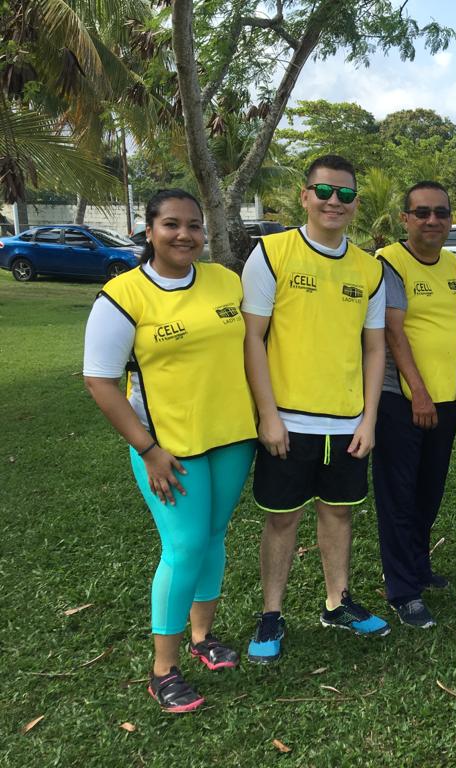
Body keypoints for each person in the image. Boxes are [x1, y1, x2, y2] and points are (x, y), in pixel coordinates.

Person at [83, 189, 256, 712]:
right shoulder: (123, 295)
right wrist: (148, 449)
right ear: (149, 230)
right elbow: (100, 381)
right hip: (169, 448)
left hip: (232, 437)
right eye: (172, 225)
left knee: (213, 537)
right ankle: (164, 670)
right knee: (183, 548)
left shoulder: (225, 281)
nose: (185, 235)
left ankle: (202, 637)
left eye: (194, 226)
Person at [242, 154, 389, 664]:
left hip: (347, 422)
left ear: (355, 204)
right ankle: (271, 614)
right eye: (324, 191)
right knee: (283, 520)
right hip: (287, 419)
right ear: (304, 196)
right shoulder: (271, 253)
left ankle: (336, 603)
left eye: (345, 194)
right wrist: (268, 415)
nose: (333, 202)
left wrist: (369, 419)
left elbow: (375, 348)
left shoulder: (369, 269)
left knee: (339, 514)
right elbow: (253, 338)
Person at [373, 181, 456, 629]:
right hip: (403, 399)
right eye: (422, 212)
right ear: (405, 218)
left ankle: (419, 566)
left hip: (446, 398)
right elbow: (394, 332)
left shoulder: (454, 265)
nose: (432, 220)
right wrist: (419, 392)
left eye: (441, 213)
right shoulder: (390, 261)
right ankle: (403, 590)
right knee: (399, 495)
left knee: (429, 489)